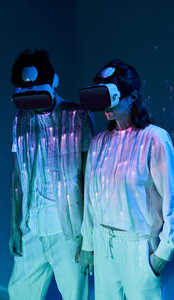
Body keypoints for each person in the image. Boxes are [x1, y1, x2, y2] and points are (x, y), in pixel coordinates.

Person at [79, 59, 174, 300]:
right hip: (103, 246)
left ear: (131, 97)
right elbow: (91, 199)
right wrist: (88, 243)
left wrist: (164, 251)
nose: (105, 106)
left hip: (139, 247)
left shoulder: (155, 139)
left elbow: (171, 199)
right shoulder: (99, 143)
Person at [8, 49, 95, 300]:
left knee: (74, 295)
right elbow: (17, 175)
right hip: (32, 226)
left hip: (67, 228)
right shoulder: (21, 120)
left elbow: (89, 179)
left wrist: (88, 237)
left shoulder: (77, 115)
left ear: (53, 83)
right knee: (20, 293)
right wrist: (15, 226)